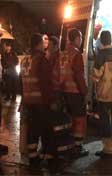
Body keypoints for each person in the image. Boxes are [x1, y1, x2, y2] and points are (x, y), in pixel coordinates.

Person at [21, 33, 56, 169]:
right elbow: (45, 83)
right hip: (40, 101)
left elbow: (21, 82)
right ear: (38, 44)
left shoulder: (25, 60)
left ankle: (32, 155)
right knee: (47, 128)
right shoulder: (41, 59)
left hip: (28, 100)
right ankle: (49, 156)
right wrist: (51, 100)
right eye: (43, 42)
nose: (44, 45)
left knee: (32, 129)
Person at [60, 28, 89, 157]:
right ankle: (78, 147)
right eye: (81, 37)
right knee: (79, 119)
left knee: (70, 119)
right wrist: (84, 92)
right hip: (75, 92)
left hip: (64, 92)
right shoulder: (76, 54)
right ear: (76, 38)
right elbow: (79, 76)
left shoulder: (63, 53)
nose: (81, 40)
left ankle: (70, 144)